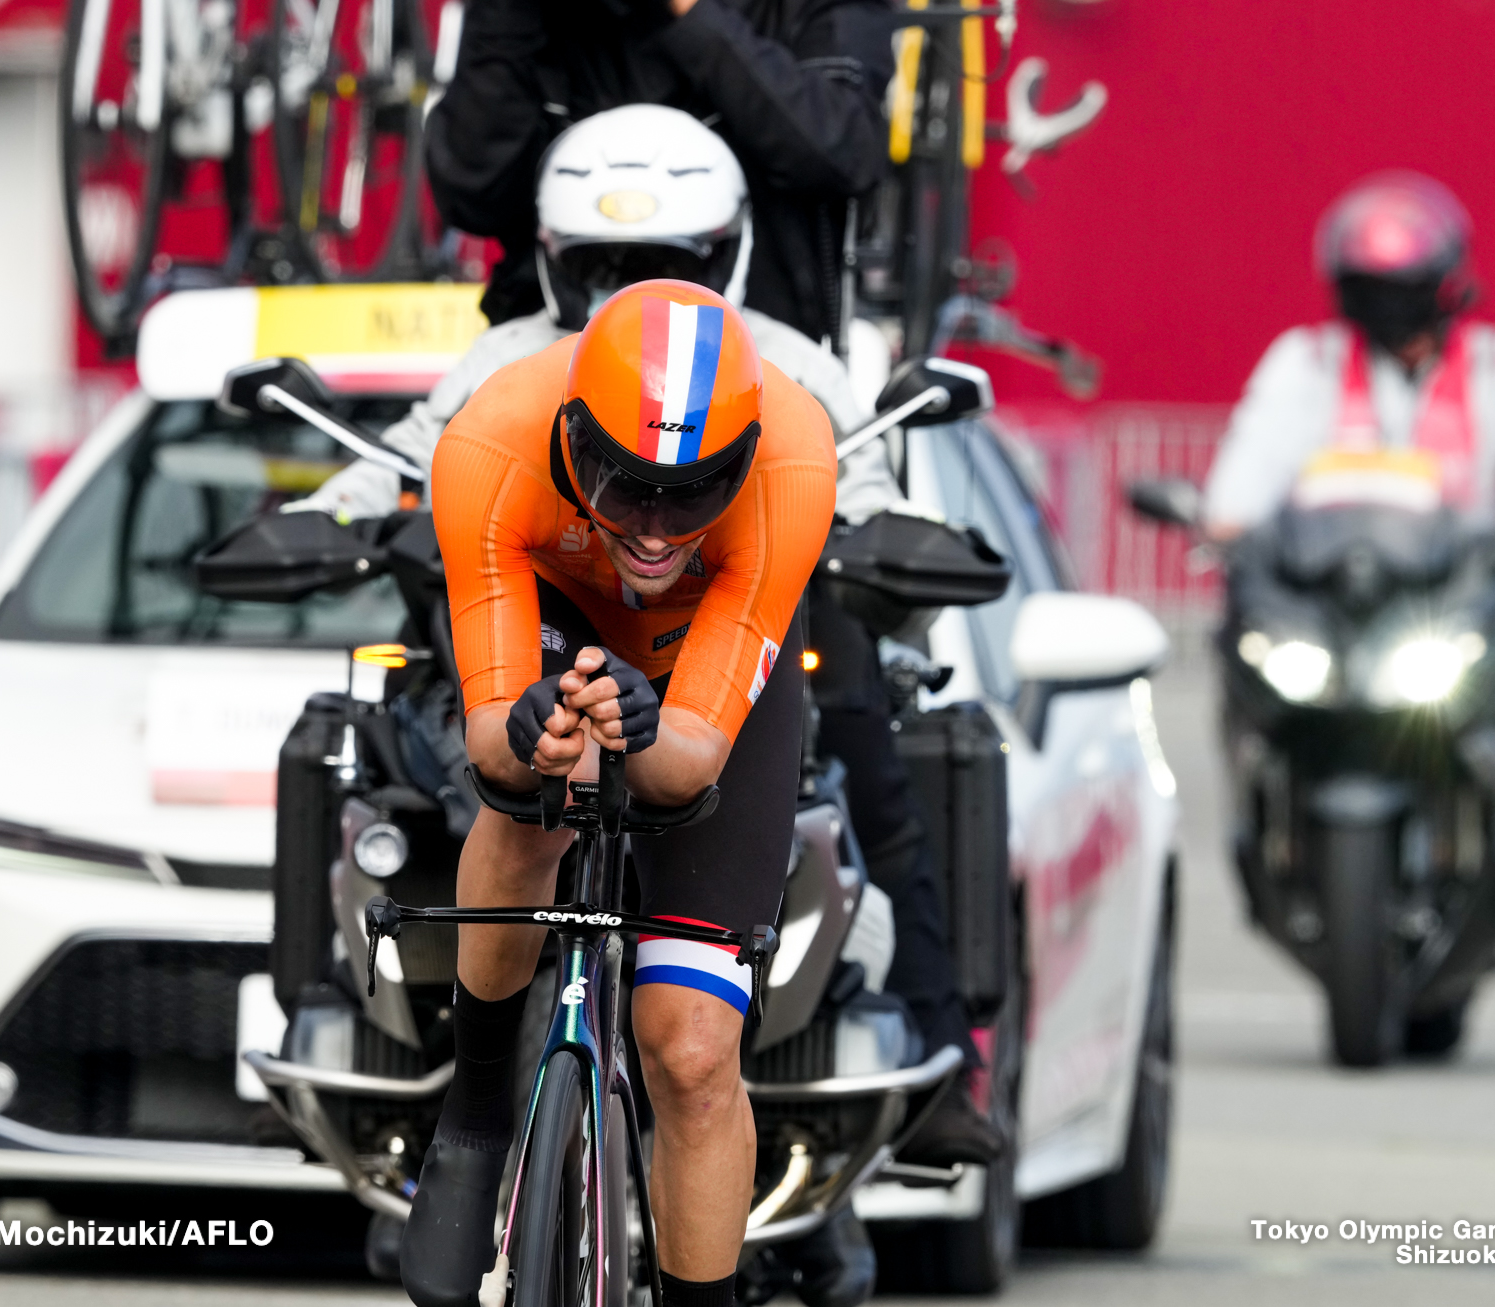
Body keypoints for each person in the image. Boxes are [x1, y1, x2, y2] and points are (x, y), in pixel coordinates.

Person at [302, 105, 1003, 1174]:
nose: (630, 284)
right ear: (549, 260)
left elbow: (861, 490)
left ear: (722, 256)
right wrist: (321, 518)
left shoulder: (791, 370)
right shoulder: (500, 371)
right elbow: (394, 464)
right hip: (538, 641)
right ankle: (415, 1056)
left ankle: (938, 1043)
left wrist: (891, 540)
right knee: (403, 754)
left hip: (726, 647)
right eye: (600, 263)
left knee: (878, 756)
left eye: (664, 260)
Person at [402, 280, 832, 1307]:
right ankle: (474, 1106)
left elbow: (686, 765)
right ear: (569, 431)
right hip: (553, 610)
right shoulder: (489, 446)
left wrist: (646, 723)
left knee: (688, 1046)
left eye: (691, 493)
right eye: (623, 484)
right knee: (531, 808)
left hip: (696, 673)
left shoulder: (796, 457)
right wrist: (530, 732)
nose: (650, 528)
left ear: (743, 454)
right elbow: (492, 747)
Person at [423, 0, 895, 341]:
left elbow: (840, 151)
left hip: (755, 361)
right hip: (551, 359)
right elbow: (472, 194)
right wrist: (505, 18)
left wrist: (691, 13)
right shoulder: (527, 16)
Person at [1205, 171, 1495, 540]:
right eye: (1373, 290)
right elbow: (1248, 475)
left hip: (1464, 594)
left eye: (1406, 289)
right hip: (1325, 593)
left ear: (1443, 285)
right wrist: (1228, 522)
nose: (1390, 307)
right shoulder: (1310, 363)